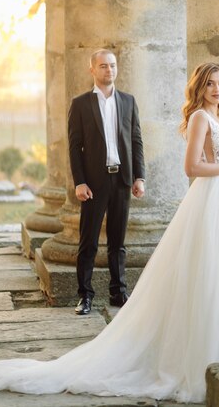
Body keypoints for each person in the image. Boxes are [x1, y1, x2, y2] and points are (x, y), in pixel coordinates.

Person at [0, 62, 219, 403]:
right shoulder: (199, 119)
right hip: (210, 204)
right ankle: (201, 357)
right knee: (210, 275)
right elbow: (192, 168)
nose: (217, 90)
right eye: (210, 84)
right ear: (200, 88)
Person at [68, 49, 145, 314]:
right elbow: (74, 146)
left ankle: (118, 292)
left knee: (117, 242)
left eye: (112, 65)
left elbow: (136, 140)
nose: (108, 70)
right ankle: (85, 295)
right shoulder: (80, 104)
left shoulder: (128, 101)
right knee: (88, 241)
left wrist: (139, 177)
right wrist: (79, 182)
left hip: (122, 180)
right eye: (102, 66)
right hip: (93, 182)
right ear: (92, 70)